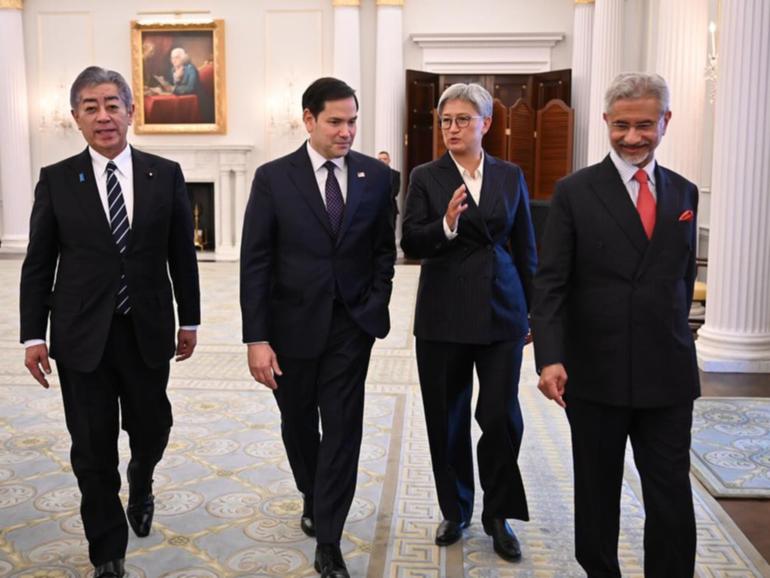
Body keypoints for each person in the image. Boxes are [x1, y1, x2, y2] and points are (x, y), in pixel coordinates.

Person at [20, 66, 201, 578]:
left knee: (153, 428)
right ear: (75, 117)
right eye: (91, 107)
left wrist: (190, 320)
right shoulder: (56, 180)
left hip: (146, 330)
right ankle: (108, 553)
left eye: (112, 104)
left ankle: (141, 478)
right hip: (81, 338)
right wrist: (34, 334)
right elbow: (39, 263)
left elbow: (180, 257)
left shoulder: (164, 174)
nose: (103, 116)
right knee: (92, 447)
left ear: (130, 111)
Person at [531, 72, 699, 577]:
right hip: (595, 372)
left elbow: (682, 278)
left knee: (670, 490)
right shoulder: (574, 192)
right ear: (606, 122)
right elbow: (551, 282)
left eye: (645, 125)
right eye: (621, 125)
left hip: (667, 372)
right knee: (597, 489)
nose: (632, 137)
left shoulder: (685, 192)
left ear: (665, 121)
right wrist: (551, 357)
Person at [240, 77, 395, 578]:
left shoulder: (377, 177)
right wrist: (257, 338)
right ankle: (312, 491)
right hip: (290, 329)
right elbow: (256, 262)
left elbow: (382, 254)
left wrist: (374, 305)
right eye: (335, 121)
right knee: (299, 422)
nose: (346, 131)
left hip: (351, 327)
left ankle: (328, 538)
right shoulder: (273, 178)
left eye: (352, 121)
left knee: (344, 427)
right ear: (308, 120)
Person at [401, 83, 536, 562]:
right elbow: (410, 241)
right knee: (447, 417)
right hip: (442, 315)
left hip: (502, 310)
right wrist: (446, 225)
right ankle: (455, 508)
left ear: (486, 123)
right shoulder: (425, 175)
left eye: (462, 119)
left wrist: (533, 310)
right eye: (445, 121)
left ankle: (497, 515)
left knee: (500, 418)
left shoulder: (510, 174)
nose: (452, 129)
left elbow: (526, 248)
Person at [377, 150, 401, 222]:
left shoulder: (395, 174)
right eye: (380, 159)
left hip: (390, 208)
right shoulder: (372, 174)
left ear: (389, 160)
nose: (382, 161)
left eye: (384, 159)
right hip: (376, 209)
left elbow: (395, 191)